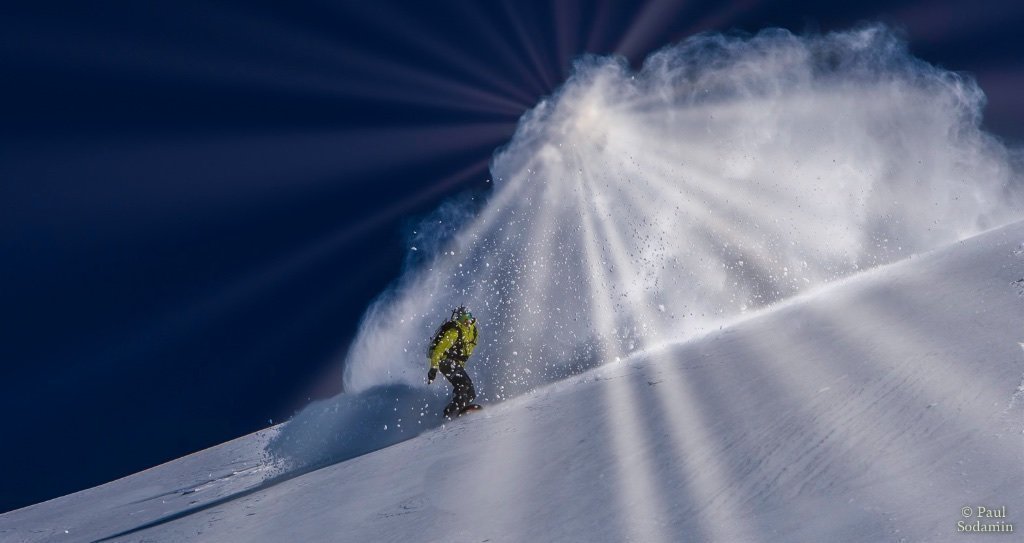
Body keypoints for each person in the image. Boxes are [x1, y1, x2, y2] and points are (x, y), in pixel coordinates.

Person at [426, 305, 479, 418]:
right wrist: (433, 368)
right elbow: (438, 351)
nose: (466, 321)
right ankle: (450, 414)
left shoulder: (473, 332)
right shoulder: (454, 332)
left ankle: (460, 411)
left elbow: (465, 352)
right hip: (446, 362)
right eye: (462, 318)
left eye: (468, 317)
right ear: (458, 319)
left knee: (471, 393)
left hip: (456, 364)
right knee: (464, 385)